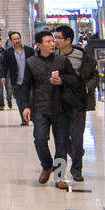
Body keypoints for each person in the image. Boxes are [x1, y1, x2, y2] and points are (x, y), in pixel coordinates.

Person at [21, 30, 79, 190]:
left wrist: (62, 81)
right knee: (39, 139)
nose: (52, 44)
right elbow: (25, 85)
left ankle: (60, 177)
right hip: (39, 107)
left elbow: (74, 79)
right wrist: (25, 105)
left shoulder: (62, 61)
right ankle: (47, 166)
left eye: (53, 41)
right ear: (39, 45)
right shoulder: (31, 62)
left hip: (60, 107)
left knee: (61, 143)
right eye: (48, 42)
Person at [53, 25, 93, 184]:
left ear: (68, 40)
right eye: (54, 37)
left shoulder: (81, 55)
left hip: (77, 103)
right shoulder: (52, 55)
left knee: (77, 139)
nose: (55, 41)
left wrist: (88, 86)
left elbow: (93, 75)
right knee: (60, 141)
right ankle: (58, 174)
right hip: (58, 102)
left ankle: (77, 169)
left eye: (58, 38)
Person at [1, 31, 32, 126]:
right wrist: (3, 76)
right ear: (11, 41)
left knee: (30, 98)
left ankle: (31, 115)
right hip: (16, 80)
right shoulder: (8, 52)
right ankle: (24, 119)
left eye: (18, 38)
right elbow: (4, 65)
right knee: (20, 100)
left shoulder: (29, 50)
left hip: (29, 79)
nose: (17, 41)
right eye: (14, 39)